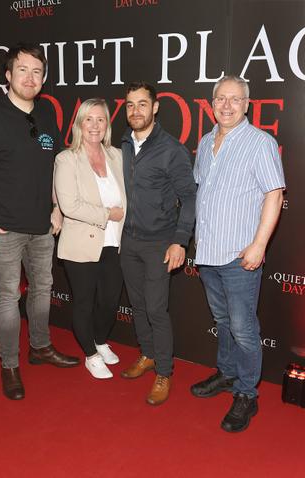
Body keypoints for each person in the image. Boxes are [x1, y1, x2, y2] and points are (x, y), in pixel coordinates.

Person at [0, 42, 80, 401]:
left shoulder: (45, 112)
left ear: (43, 78)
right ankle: (10, 363)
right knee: (7, 296)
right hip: (3, 228)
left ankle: (40, 346)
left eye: (37, 71)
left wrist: (58, 208)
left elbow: (56, 165)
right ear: (8, 74)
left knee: (43, 290)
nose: (30, 78)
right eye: (23, 70)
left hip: (43, 227)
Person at [191, 75, 285, 432]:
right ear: (211, 103)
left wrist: (259, 244)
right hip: (209, 254)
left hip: (239, 255)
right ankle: (228, 374)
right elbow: (204, 195)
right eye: (220, 99)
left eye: (235, 99)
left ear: (247, 104)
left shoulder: (260, 142)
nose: (226, 105)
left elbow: (274, 194)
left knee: (244, 328)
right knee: (224, 322)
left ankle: (247, 393)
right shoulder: (205, 141)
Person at [120, 81, 196, 405]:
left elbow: (190, 199)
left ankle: (164, 370)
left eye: (142, 104)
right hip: (129, 241)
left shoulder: (171, 149)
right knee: (138, 306)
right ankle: (147, 354)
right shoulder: (122, 143)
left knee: (155, 308)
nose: (135, 111)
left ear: (155, 107)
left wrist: (180, 242)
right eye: (130, 105)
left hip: (158, 244)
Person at [54, 98, 126, 379]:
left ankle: (99, 340)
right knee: (84, 301)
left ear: (107, 124)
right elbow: (69, 205)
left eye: (101, 119)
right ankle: (90, 354)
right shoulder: (66, 158)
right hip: (81, 245)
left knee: (109, 301)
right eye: (89, 119)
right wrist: (108, 213)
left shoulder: (116, 156)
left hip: (114, 244)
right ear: (79, 124)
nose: (95, 125)